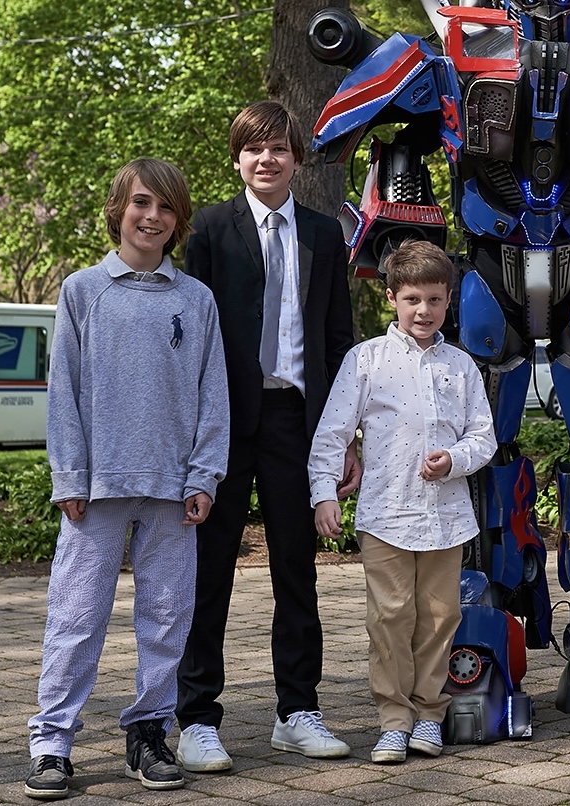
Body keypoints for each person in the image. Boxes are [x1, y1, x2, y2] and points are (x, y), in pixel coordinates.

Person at [25, 159, 229, 800]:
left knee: (167, 616)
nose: (153, 217)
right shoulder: (83, 291)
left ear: (179, 221)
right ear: (119, 209)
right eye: (142, 203)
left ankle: (148, 731)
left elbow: (212, 393)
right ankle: (52, 742)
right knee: (76, 615)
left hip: (173, 490)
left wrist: (205, 474)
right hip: (97, 489)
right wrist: (70, 474)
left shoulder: (195, 299)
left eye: (167, 208)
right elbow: (65, 393)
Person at [175, 101, 360, 771]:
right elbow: (191, 337)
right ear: (237, 157)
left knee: (296, 570)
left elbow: (338, 341)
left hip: (295, 421)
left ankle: (297, 710)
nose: (267, 159)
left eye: (279, 148)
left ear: (295, 159)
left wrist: (344, 437)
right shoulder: (209, 233)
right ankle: (195, 717)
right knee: (209, 572)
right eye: (254, 148)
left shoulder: (321, 235)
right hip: (223, 423)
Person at [307, 240, 497, 763]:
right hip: (386, 514)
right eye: (413, 299)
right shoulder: (366, 360)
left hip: (446, 516)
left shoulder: (461, 366)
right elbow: (332, 433)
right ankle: (393, 720)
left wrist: (455, 460)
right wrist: (324, 495)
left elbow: (484, 437)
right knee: (389, 617)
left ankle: (429, 716)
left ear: (448, 301)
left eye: (435, 300)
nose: (424, 311)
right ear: (392, 297)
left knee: (439, 617)